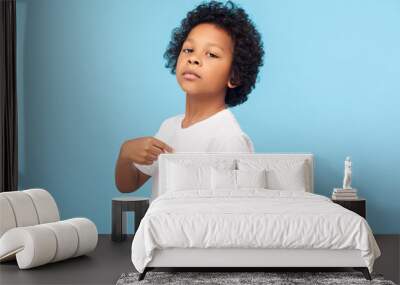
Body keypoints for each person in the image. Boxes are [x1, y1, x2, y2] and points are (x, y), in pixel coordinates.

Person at [115, 1, 264, 199]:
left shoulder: (229, 139)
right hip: (163, 230)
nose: (193, 59)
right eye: (188, 50)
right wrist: (125, 154)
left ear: (234, 76)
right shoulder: (169, 127)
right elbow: (128, 185)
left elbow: (232, 214)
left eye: (211, 54)